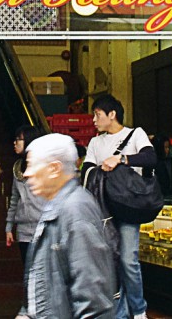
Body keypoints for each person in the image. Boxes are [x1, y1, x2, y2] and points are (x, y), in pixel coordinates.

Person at [22, 133, 116, 318]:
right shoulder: (57, 205)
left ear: (54, 168)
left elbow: (94, 302)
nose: (27, 173)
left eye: (32, 165)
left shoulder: (76, 210)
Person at [84, 94, 157, 319]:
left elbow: (151, 158)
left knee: (127, 260)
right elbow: (86, 170)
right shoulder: (96, 142)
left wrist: (122, 160)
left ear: (112, 114)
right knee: (111, 262)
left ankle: (139, 310)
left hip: (128, 207)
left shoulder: (135, 134)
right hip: (104, 210)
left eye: (97, 114)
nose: (94, 120)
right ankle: (119, 312)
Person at [6, 125, 49, 319]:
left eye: (19, 139)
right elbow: (14, 199)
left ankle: (37, 311)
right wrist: (9, 226)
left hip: (44, 227)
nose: (15, 143)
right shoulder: (17, 168)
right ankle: (30, 309)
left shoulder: (45, 167)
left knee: (42, 274)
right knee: (28, 274)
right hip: (23, 229)